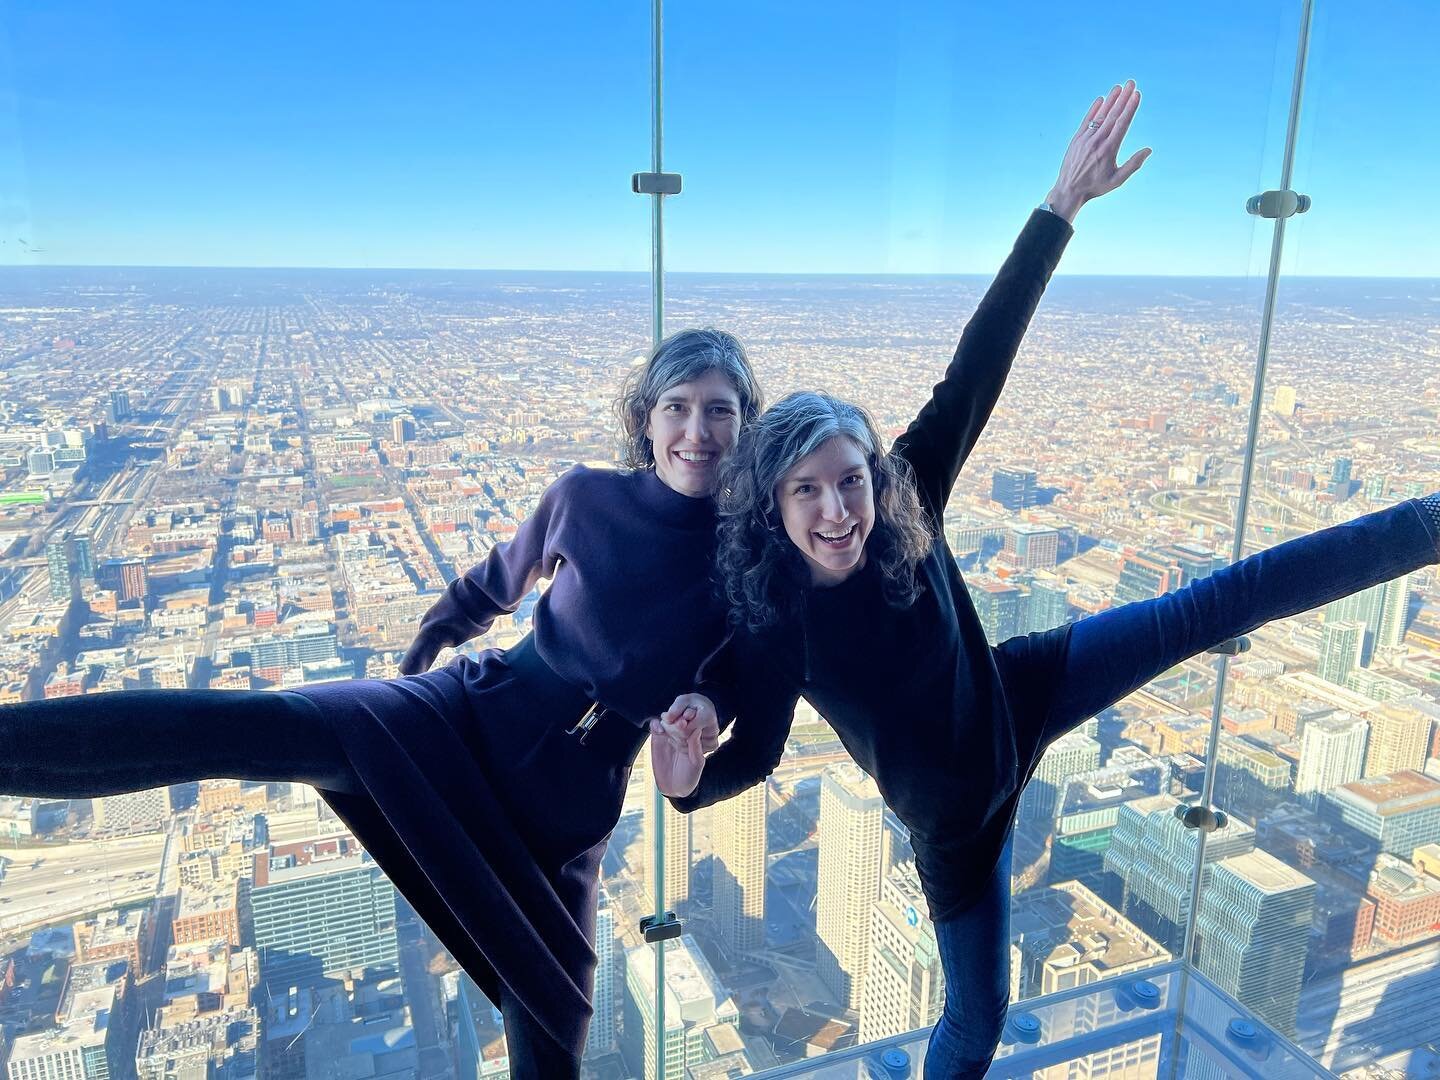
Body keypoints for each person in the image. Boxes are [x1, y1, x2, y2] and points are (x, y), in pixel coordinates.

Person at [649, 85, 1440, 1076]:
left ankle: (1428, 524)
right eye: (807, 491)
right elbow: (756, 754)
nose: (838, 509)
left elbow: (981, 361)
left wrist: (1059, 207)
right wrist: (687, 787)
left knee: (1217, 604)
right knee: (979, 1018)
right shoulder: (773, 616)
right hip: (955, 824)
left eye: (849, 479)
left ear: (874, 472)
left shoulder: (904, 492)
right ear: (772, 505)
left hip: (1023, 690)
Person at [0, 328, 758, 1079]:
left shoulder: (747, 558)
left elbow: (727, 688)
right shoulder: (584, 496)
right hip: (470, 713)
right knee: (258, 729)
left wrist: (701, 719)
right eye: (677, 406)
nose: (697, 430)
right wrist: (410, 675)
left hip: (571, 807)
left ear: (745, 426)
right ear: (646, 419)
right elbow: (486, 588)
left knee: (554, 1031)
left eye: (720, 411)